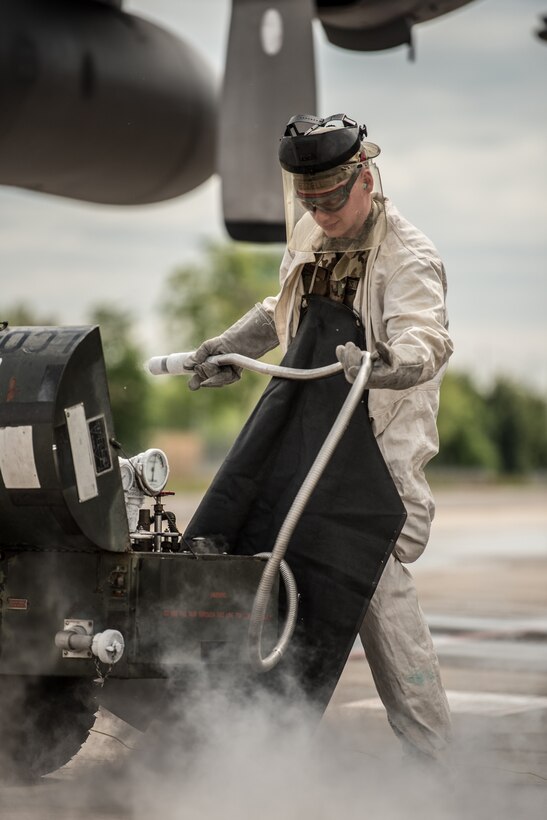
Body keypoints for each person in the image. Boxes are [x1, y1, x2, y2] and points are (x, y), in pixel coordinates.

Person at [184, 113, 453, 762]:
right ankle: (239, 738)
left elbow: (427, 339)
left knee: (373, 574)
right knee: (263, 566)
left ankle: (435, 764)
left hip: (377, 462)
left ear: (365, 178)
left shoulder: (407, 258)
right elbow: (280, 312)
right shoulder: (310, 232)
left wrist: (386, 363)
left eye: (332, 198)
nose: (322, 212)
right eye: (308, 199)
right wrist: (229, 347)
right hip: (311, 446)